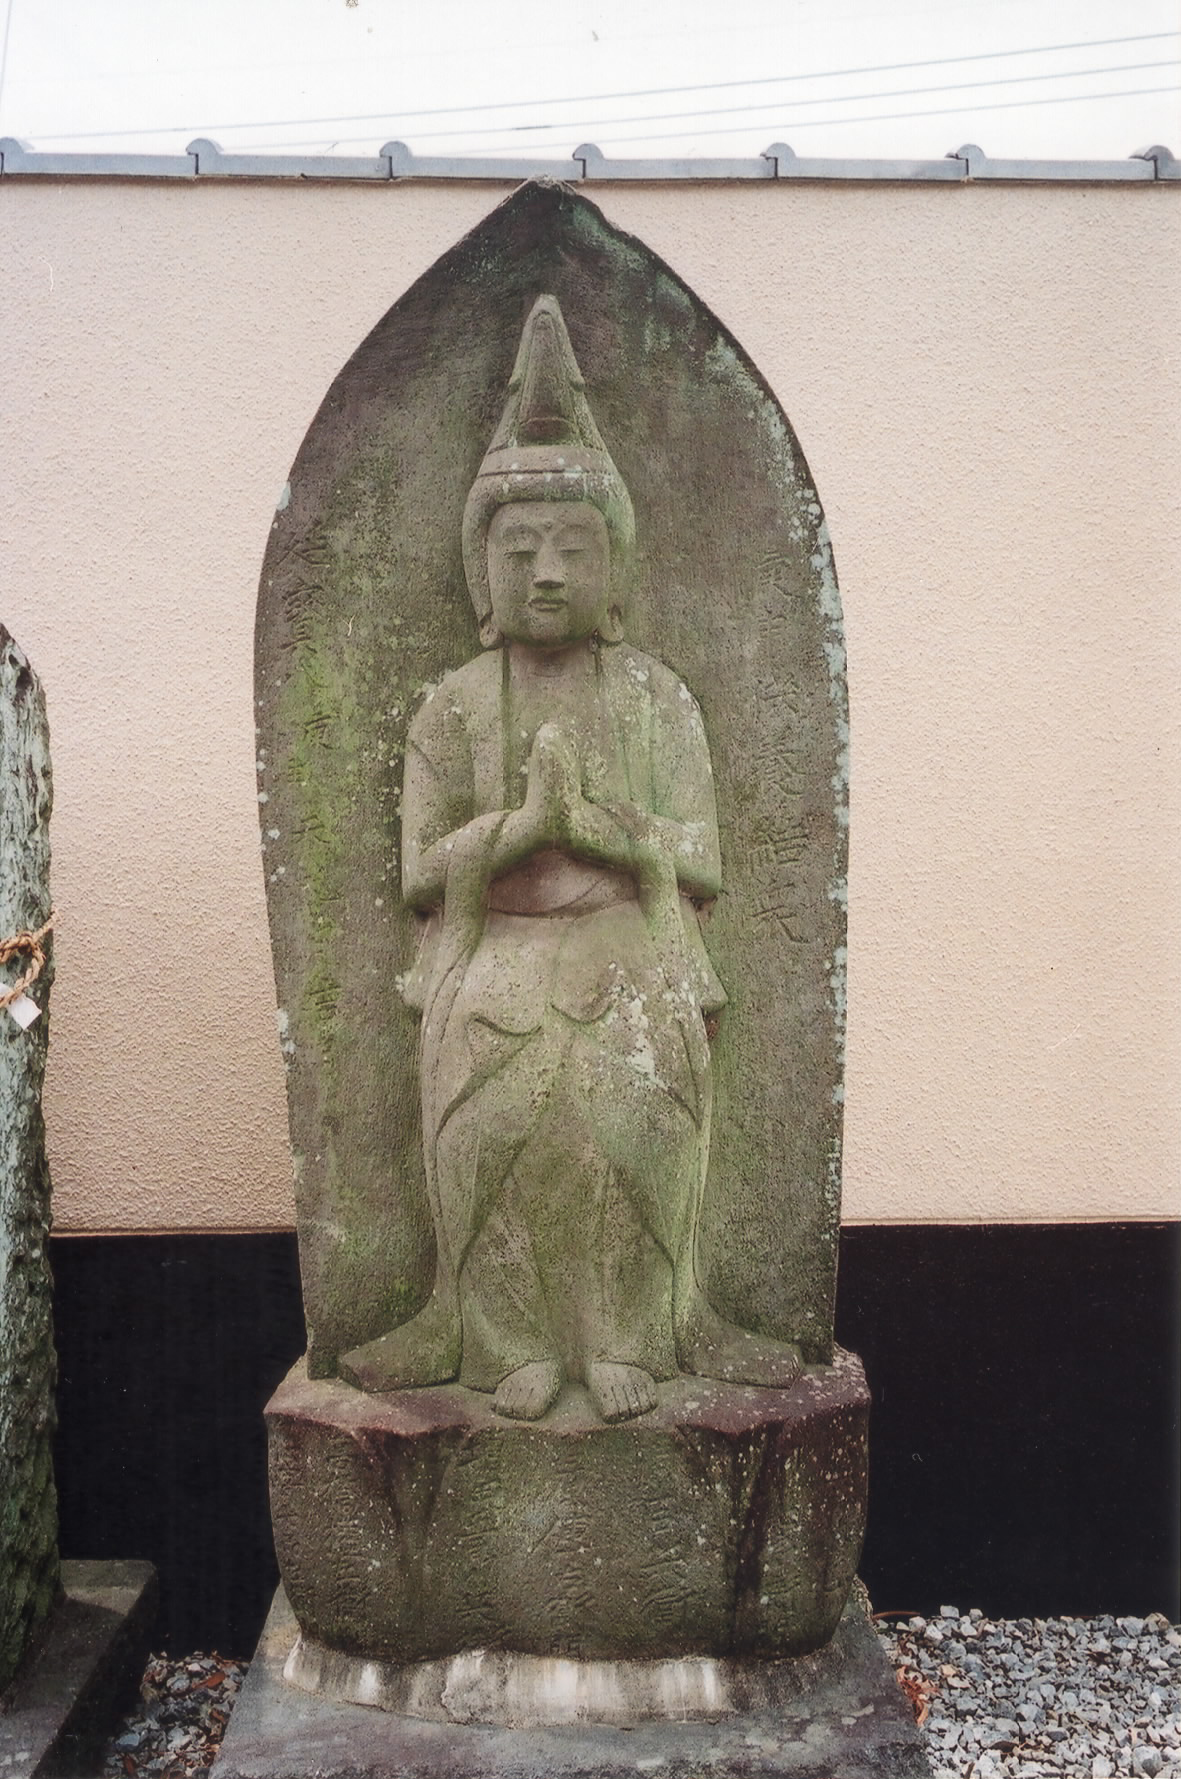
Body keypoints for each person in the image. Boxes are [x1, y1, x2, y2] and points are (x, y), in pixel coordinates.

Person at [341, 296, 800, 1421]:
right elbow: (420, 869)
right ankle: (504, 1343)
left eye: (574, 548)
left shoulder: (655, 698)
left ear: (615, 573)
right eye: (520, 550)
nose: (546, 571)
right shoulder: (453, 706)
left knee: (635, 1113)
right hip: (491, 945)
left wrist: (594, 828)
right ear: (481, 577)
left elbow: (700, 855)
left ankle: (631, 1331)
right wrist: (518, 830)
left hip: (623, 941)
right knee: (481, 1118)